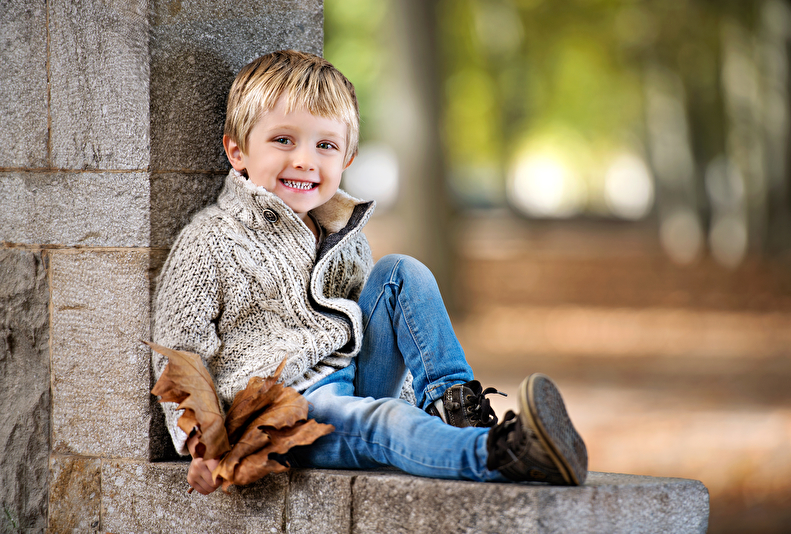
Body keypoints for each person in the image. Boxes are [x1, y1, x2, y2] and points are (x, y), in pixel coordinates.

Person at [152, 49, 587, 496]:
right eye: (283, 140)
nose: (305, 159)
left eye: (325, 145)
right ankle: (502, 455)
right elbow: (181, 352)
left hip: (355, 377)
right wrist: (206, 445)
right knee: (388, 421)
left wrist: (404, 395)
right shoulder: (212, 240)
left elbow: (372, 323)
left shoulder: (341, 231)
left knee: (401, 272)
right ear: (237, 150)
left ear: (347, 159)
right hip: (289, 415)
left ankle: (456, 411)